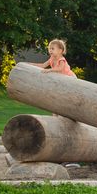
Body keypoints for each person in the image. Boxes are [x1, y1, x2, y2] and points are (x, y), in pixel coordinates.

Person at [29, 39, 79, 168]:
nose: (50, 51)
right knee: (56, 105)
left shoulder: (61, 60)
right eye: (50, 48)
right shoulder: (51, 59)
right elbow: (42, 66)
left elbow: (59, 69)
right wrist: (29, 64)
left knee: (66, 102)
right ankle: (57, 117)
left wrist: (49, 71)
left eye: (53, 49)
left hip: (70, 81)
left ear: (61, 51)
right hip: (61, 84)